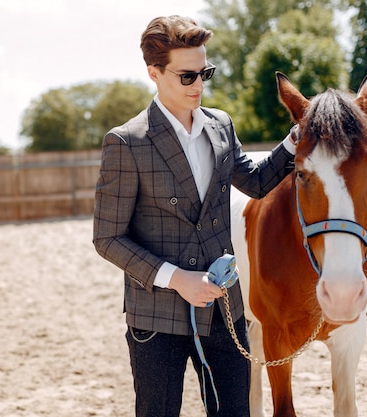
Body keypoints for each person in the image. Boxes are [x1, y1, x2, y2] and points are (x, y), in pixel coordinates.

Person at [92, 15, 297, 417]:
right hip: (156, 316)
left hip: (224, 309)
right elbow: (107, 239)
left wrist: (292, 142)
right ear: (154, 73)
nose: (199, 85)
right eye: (187, 76)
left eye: (206, 73)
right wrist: (177, 279)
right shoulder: (126, 142)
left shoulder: (221, 125)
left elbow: (254, 183)